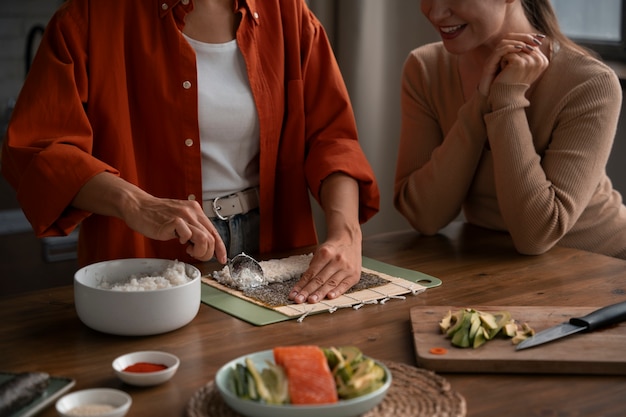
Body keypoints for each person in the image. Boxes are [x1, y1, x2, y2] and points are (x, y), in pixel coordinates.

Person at [1, 0, 380, 304]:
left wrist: (347, 233)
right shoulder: (87, 18)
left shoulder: (289, 13)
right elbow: (38, 151)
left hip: (275, 249)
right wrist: (135, 203)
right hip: (146, 255)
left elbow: (332, 139)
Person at [394, 0, 626, 259]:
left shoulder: (590, 83)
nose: (435, 13)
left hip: (605, 268)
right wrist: (481, 101)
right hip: (501, 271)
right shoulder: (426, 68)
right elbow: (424, 216)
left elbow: (536, 235)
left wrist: (507, 99)